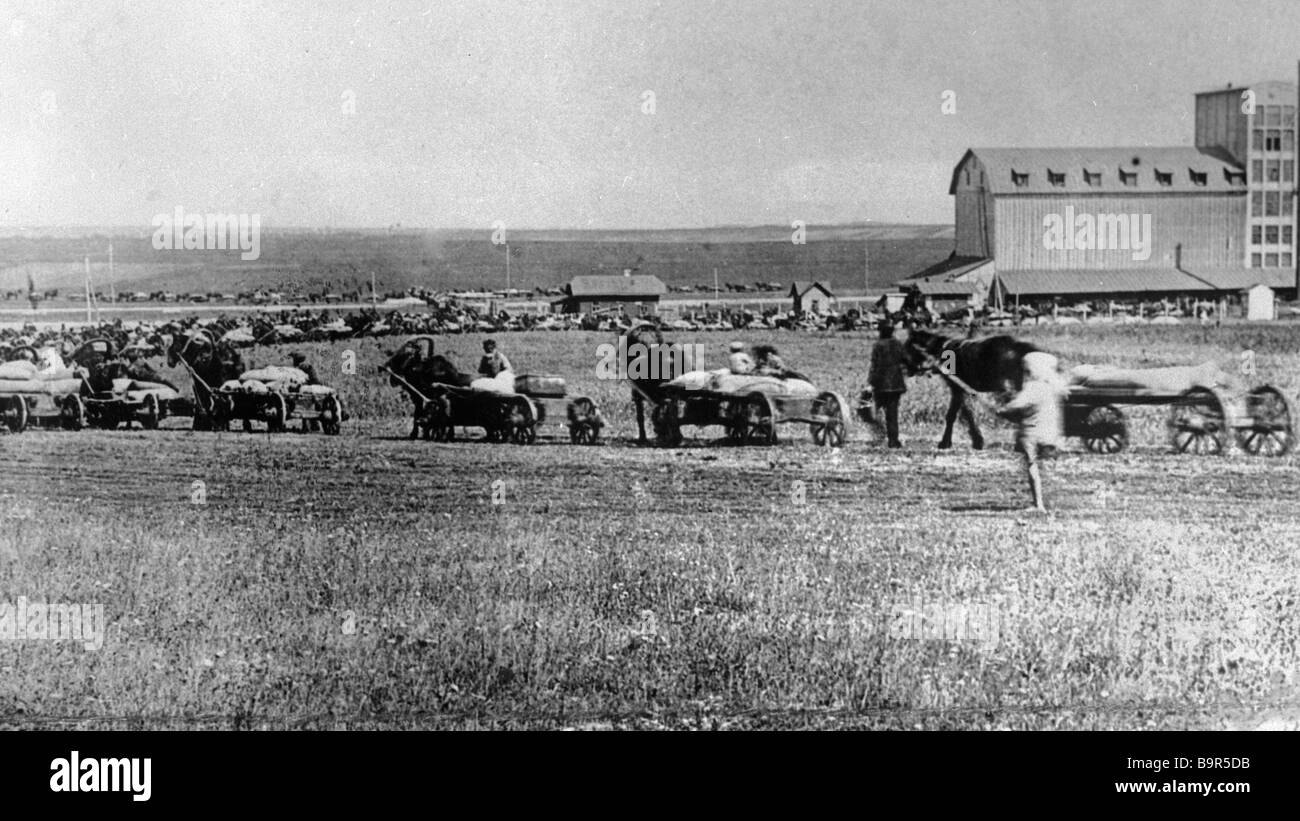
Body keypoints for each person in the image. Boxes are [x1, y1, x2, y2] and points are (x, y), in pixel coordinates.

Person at [996, 351, 1067, 513]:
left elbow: (1018, 405)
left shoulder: (1033, 387)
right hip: (1050, 433)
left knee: (1031, 466)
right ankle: (1047, 502)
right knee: (1043, 467)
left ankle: (1038, 504)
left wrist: (1002, 410)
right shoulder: (1052, 387)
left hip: (1032, 433)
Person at [867, 320, 907, 448]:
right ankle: (893, 440)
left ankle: (878, 435)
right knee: (892, 414)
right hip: (896, 384)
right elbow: (905, 361)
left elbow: (875, 365)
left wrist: (870, 382)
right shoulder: (898, 344)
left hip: (881, 384)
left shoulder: (878, 345)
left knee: (872, 410)